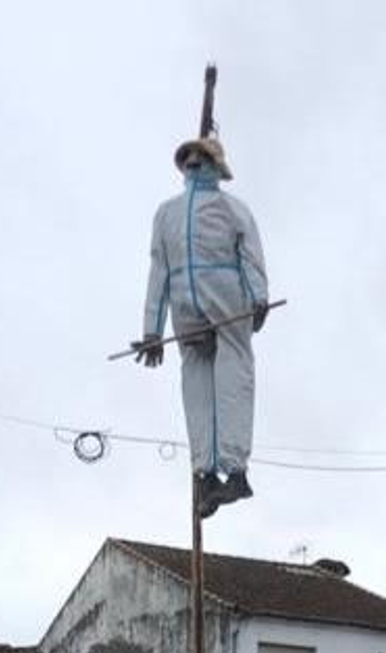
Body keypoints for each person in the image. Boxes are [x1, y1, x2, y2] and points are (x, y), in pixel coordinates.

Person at [136, 135, 270, 518]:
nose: (193, 162)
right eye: (188, 157)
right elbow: (158, 270)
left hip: (225, 293)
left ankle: (236, 470)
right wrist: (152, 329)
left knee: (234, 378)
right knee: (196, 385)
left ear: (215, 165)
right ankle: (205, 470)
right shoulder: (166, 214)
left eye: (201, 156)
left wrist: (259, 295)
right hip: (185, 301)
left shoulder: (233, 209)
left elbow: (251, 255)